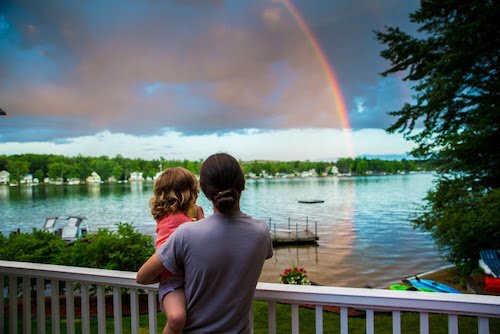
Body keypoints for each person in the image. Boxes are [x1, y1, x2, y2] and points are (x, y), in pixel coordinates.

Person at [137, 153, 273, 333]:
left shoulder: (186, 234)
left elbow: (142, 277)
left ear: (205, 191)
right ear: (242, 184)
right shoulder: (261, 233)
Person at [148, 167, 204, 334]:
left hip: (182, 281)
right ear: (186, 193)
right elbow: (199, 240)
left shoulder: (169, 217)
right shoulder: (176, 219)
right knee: (176, 317)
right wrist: (201, 220)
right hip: (173, 283)